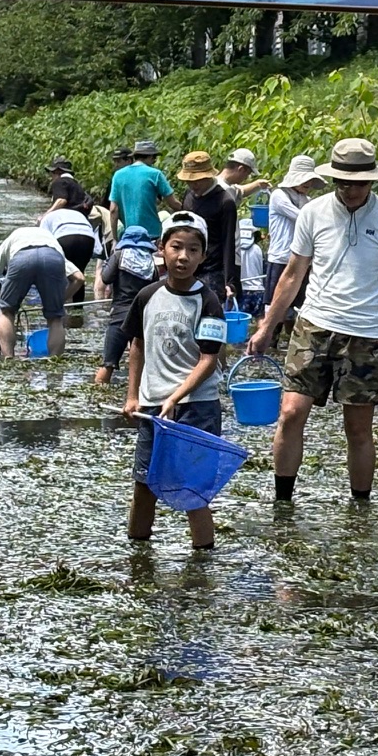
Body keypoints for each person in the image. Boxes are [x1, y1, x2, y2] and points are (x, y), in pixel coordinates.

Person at [247, 138, 378, 506]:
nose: (351, 190)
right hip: (314, 325)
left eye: (359, 183)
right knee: (291, 413)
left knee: (358, 429)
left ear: (372, 182)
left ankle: (360, 506)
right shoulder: (313, 213)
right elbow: (292, 275)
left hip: (366, 332)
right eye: (343, 182)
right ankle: (283, 501)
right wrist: (267, 326)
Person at [122, 211, 230, 550]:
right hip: (152, 405)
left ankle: (202, 561)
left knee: (192, 488)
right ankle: (137, 554)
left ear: (202, 255)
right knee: (143, 483)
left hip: (196, 407)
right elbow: (136, 345)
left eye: (193, 250)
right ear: (162, 249)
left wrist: (176, 397)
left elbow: (209, 359)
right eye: (176, 247)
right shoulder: (147, 296)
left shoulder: (208, 301)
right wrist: (133, 395)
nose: (183, 257)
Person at [0, 223, 82, 358]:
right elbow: (79, 279)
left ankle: (9, 359)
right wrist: (56, 303)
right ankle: (56, 365)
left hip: (21, 256)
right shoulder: (51, 241)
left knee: (7, 312)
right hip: (52, 258)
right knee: (55, 318)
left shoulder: (10, 241)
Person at [92, 228, 157, 386]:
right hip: (142, 319)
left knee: (108, 364)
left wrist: (106, 266)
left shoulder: (119, 257)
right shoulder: (150, 263)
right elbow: (155, 289)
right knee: (139, 365)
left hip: (120, 317)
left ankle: (97, 400)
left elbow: (106, 278)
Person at [264, 154, 322, 323]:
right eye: (304, 179)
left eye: (310, 179)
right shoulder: (279, 195)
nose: (308, 183)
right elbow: (302, 217)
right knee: (274, 305)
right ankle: (269, 342)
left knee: (298, 307)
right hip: (280, 257)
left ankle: (289, 344)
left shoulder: (306, 200)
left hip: (301, 259)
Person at [176, 151, 239, 301]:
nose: (193, 185)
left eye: (197, 180)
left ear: (208, 176)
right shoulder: (189, 196)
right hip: (188, 265)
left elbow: (230, 243)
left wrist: (230, 280)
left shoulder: (225, 202)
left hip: (213, 270)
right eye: (189, 181)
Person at [221, 147, 271, 288]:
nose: (246, 178)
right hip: (222, 256)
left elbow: (241, 191)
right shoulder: (220, 190)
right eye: (248, 174)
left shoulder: (227, 187)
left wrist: (258, 185)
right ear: (241, 169)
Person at [108, 139, 173, 240]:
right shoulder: (155, 174)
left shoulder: (118, 175)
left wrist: (115, 240)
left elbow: (113, 210)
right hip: (152, 234)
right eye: (154, 158)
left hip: (129, 236)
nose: (154, 161)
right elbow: (172, 203)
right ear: (151, 156)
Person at [41, 203, 97, 272]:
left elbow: (43, 242)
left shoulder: (46, 218)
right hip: (88, 238)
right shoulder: (78, 213)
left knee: (61, 273)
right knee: (79, 272)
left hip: (65, 237)